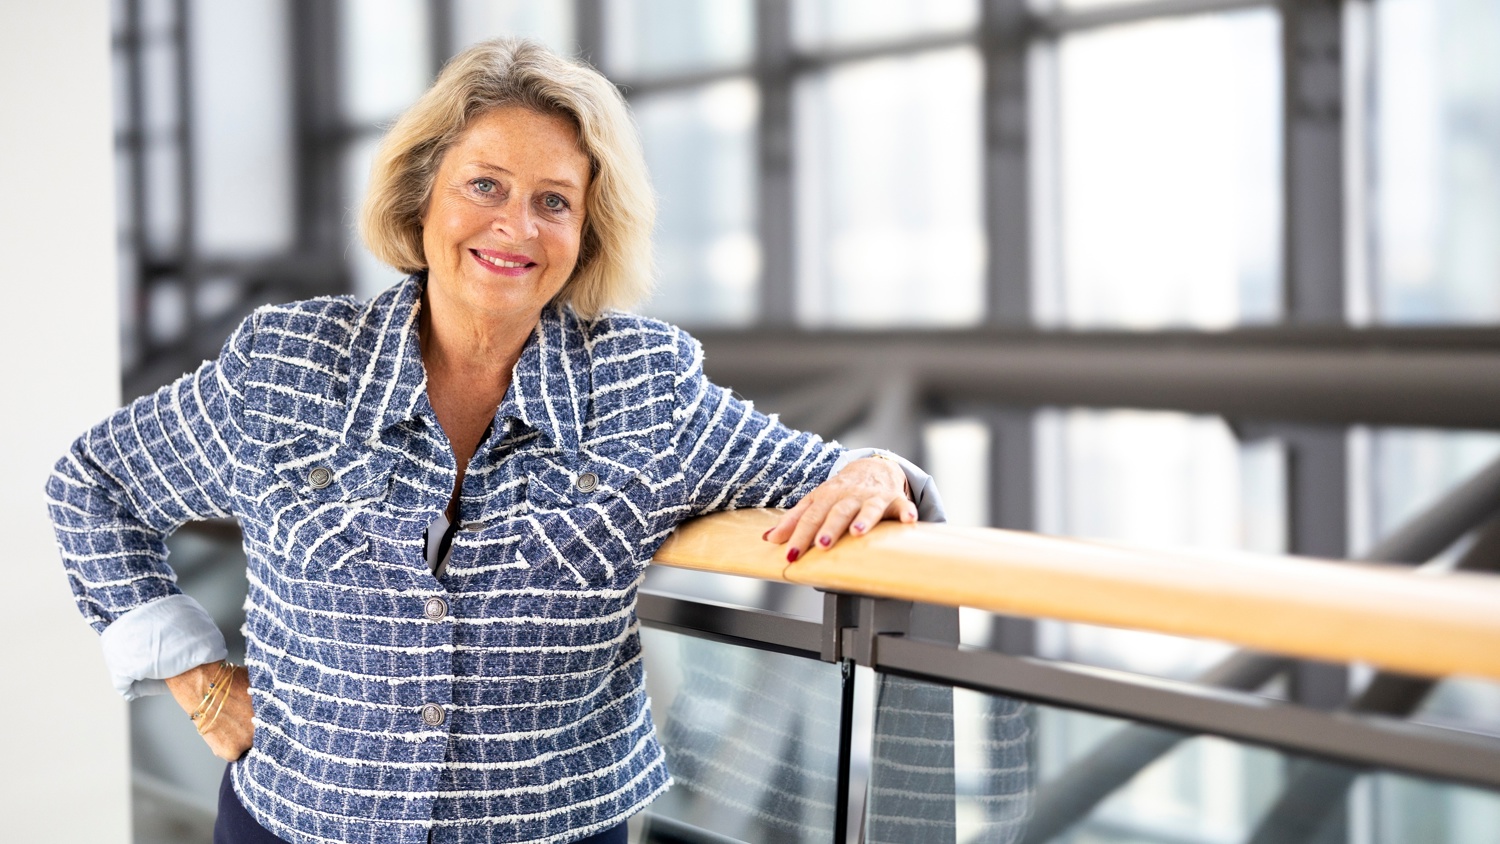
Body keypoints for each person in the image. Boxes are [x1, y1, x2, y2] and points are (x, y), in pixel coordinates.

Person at [46, 37, 942, 844]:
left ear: (586, 232)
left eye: (553, 201)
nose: (516, 226)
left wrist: (871, 469)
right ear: (422, 195)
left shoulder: (642, 387)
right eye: (486, 185)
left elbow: (827, 470)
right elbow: (93, 481)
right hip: (293, 822)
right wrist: (198, 683)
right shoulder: (289, 365)